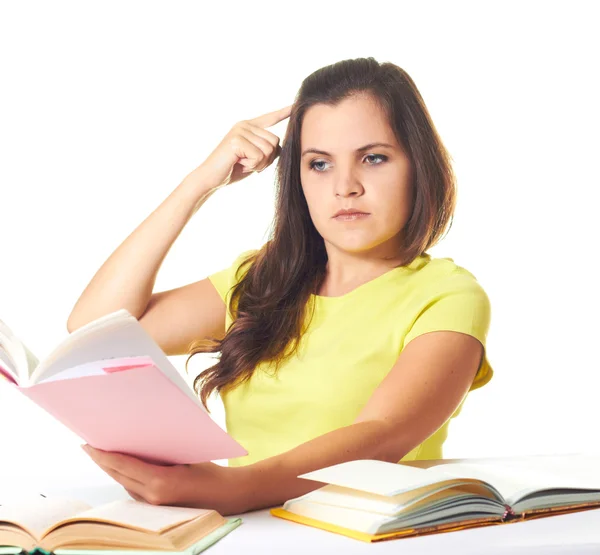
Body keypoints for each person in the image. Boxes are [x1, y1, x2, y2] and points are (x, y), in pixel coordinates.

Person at [68, 57, 494, 516]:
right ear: (298, 179)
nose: (345, 186)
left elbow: (383, 435)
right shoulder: (261, 280)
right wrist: (200, 183)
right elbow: (94, 331)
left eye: (373, 158)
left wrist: (231, 489)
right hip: (245, 538)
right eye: (319, 164)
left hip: (371, 538)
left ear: (418, 165)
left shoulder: (448, 295)